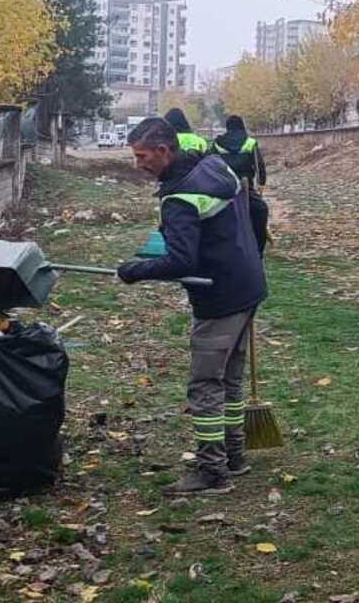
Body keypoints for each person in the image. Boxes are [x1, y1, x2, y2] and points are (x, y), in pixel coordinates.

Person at [116, 117, 267, 496]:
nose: (138, 164)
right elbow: (256, 210)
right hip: (248, 285)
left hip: (219, 297)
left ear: (164, 151)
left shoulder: (180, 198)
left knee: (205, 384)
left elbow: (181, 260)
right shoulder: (214, 166)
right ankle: (234, 456)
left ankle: (212, 472)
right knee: (229, 379)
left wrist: (136, 271)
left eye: (142, 156)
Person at [212, 114, 269, 254]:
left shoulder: (217, 143)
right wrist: (261, 183)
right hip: (245, 188)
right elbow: (259, 166)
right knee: (261, 210)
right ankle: (258, 249)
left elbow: (210, 164)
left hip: (223, 187)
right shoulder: (250, 142)